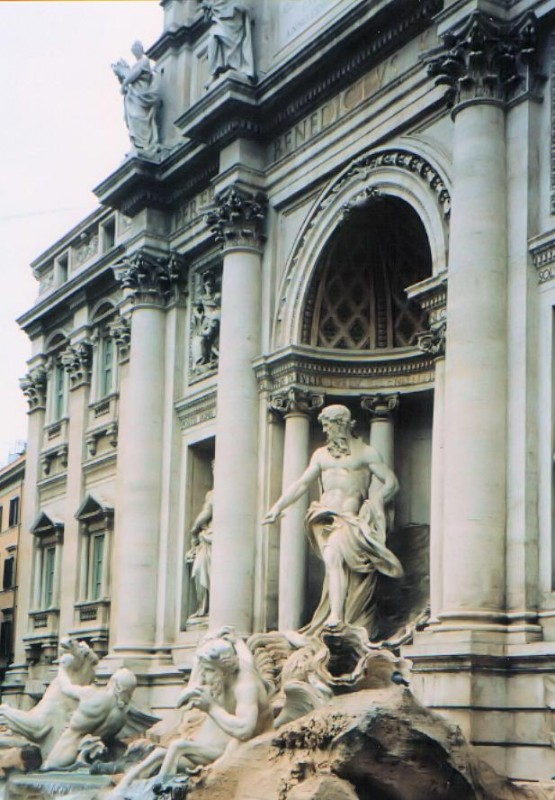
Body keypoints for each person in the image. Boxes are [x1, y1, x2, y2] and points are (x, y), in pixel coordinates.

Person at [263, 405, 403, 635]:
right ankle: (337, 613)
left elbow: (391, 482)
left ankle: (337, 615)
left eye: (328, 425)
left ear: (342, 424)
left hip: (349, 518)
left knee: (332, 557)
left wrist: (377, 501)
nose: (325, 430)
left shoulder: (365, 452)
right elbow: (301, 484)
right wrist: (278, 507)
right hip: (324, 517)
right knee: (334, 563)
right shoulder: (320, 455)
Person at [115, 631, 271, 788]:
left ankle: (162, 790)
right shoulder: (230, 669)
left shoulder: (245, 685)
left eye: (208, 670)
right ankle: (123, 786)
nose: (203, 674)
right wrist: (234, 639)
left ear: (222, 670)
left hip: (244, 746)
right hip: (225, 740)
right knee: (160, 753)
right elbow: (241, 651)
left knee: (178, 747)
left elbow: (245, 730)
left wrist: (211, 708)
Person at [42, 660, 137, 770]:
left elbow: (66, 687)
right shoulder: (122, 717)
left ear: (114, 682)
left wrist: (62, 667)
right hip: (91, 759)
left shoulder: (93, 695)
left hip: (66, 752)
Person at [111, 41, 161, 156]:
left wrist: (124, 83)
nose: (135, 53)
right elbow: (130, 75)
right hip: (134, 97)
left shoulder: (144, 61)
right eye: (134, 51)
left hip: (141, 96)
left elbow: (134, 75)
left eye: (136, 50)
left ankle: (144, 144)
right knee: (133, 119)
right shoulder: (137, 63)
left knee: (139, 116)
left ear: (141, 49)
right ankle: (138, 144)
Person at [186, 465, 214, 617]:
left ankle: (208, 609)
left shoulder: (216, 495)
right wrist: (196, 530)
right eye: (213, 468)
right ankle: (204, 607)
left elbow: (207, 512)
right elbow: (206, 512)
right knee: (200, 571)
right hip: (207, 539)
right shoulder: (211, 494)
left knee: (206, 572)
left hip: (213, 538)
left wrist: (194, 529)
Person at [203, 1, 255, 83]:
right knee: (213, 38)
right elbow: (206, 20)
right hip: (218, 10)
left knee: (231, 39)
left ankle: (234, 64)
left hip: (232, 7)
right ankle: (214, 72)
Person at [191, 272, 221, 369]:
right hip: (206, 319)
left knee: (211, 331)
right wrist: (199, 315)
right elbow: (195, 309)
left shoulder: (217, 296)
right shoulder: (202, 298)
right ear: (205, 286)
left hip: (215, 317)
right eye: (208, 285)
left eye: (212, 285)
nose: (210, 287)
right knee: (203, 337)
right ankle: (205, 357)